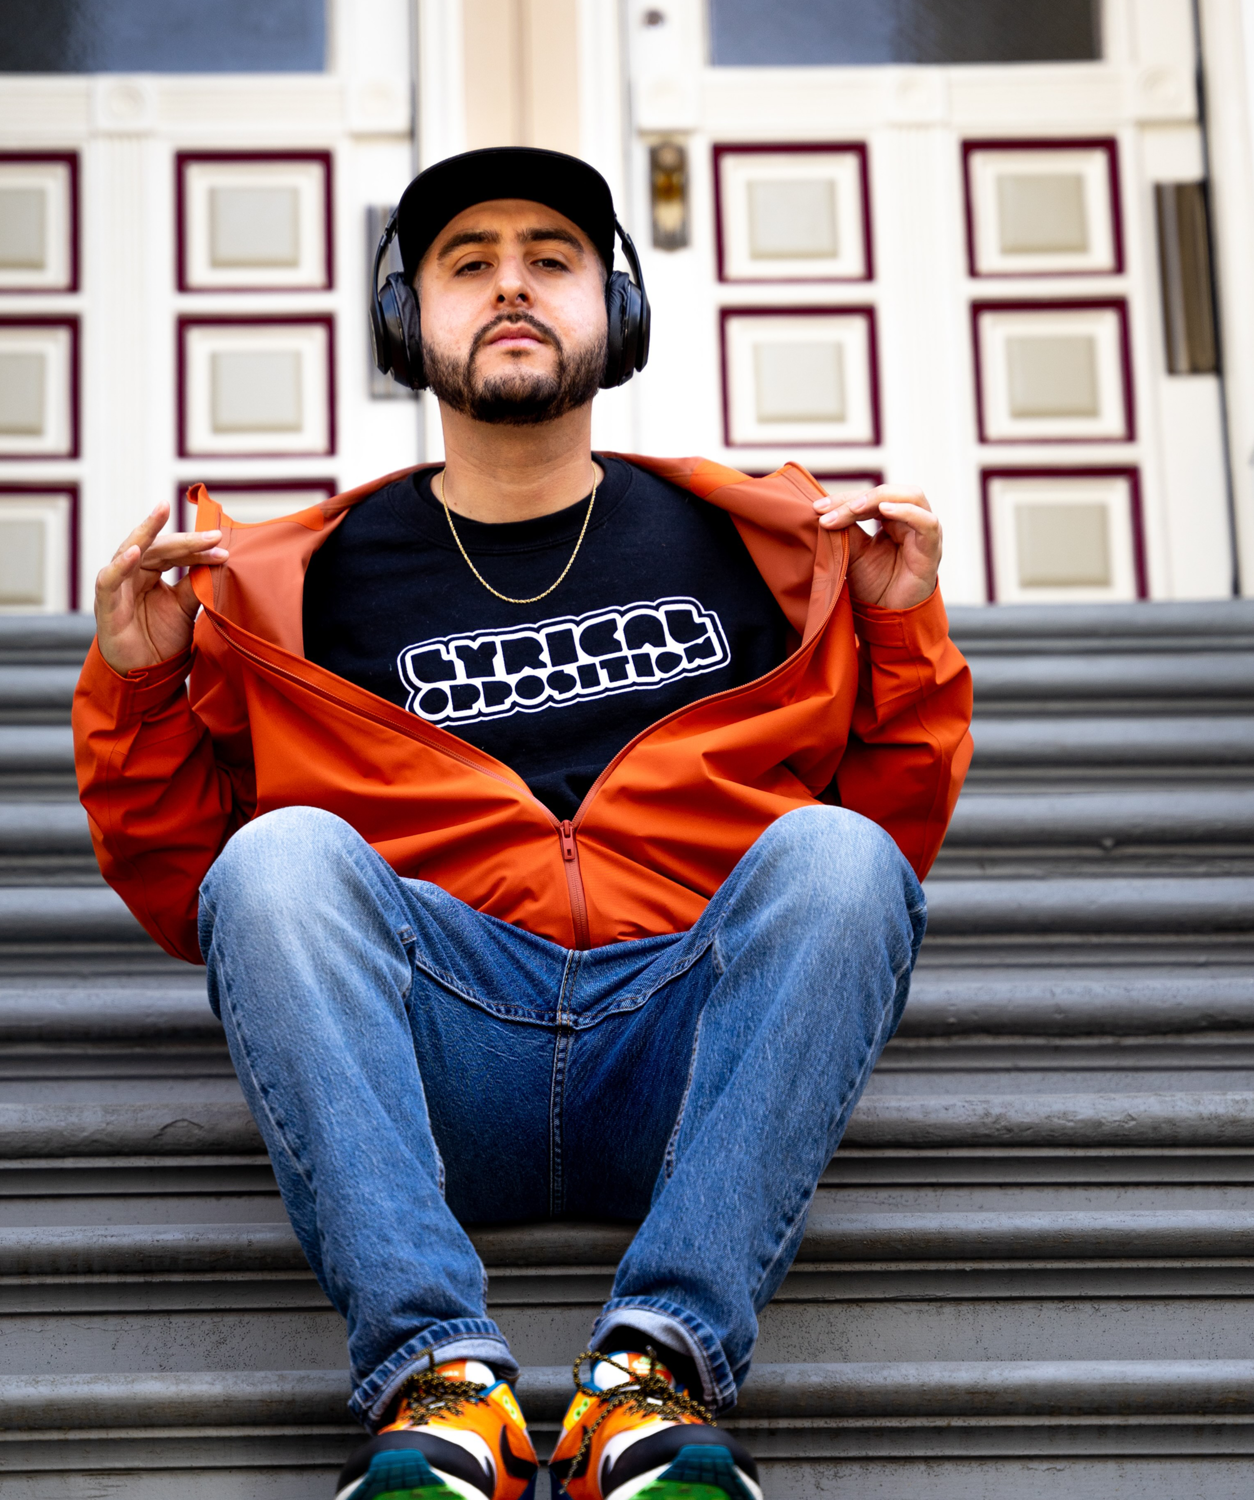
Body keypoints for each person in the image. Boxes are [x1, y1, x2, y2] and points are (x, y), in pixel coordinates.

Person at [75, 147, 973, 1500]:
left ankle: (653, 1381)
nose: (511, 285)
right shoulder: (292, 583)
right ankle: (444, 1390)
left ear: (619, 308)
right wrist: (142, 683)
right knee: (279, 859)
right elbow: (194, 895)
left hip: (689, 1050)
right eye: (468, 261)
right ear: (406, 317)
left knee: (840, 860)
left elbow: (886, 842)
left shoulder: (759, 544)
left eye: (552, 258)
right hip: (440, 1062)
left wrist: (897, 630)